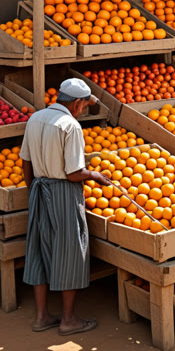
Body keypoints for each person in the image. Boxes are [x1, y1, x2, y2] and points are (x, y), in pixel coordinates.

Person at [20, 79, 110, 335]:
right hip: (63, 193)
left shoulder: (36, 118)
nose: (83, 110)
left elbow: (25, 162)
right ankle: (68, 320)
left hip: (38, 189)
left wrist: (33, 190)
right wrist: (94, 175)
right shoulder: (70, 125)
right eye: (83, 105)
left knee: (38, 250)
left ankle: (42, 317)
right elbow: (73, 173)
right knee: (69, 251)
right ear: (78, 103)